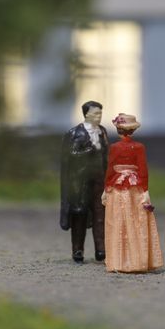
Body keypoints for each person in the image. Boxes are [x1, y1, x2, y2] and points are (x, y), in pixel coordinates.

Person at [101, 113, 163, 273]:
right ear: (133, 130)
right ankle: (138, 259)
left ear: (118, 129)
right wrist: (145, 189)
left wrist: (106, 188)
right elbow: (143, 170)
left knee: (118, 220)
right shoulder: (139, 147)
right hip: (135, 187)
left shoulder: (114, 147)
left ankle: (119, 260)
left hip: (118, 187)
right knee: (136, 220)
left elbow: (110, 169)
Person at [60, 100, 108, 264]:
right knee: (79, 214)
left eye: (100, 113)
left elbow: (106, 155)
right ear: (87, 114)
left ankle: (101, 248)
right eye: (96, 113)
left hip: (99, 178)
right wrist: (87, 151)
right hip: (80, 180)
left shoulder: (102, 131)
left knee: (100, 213)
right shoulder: (75, 133)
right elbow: (70, 155)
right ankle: (78, 250)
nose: (99, 116)